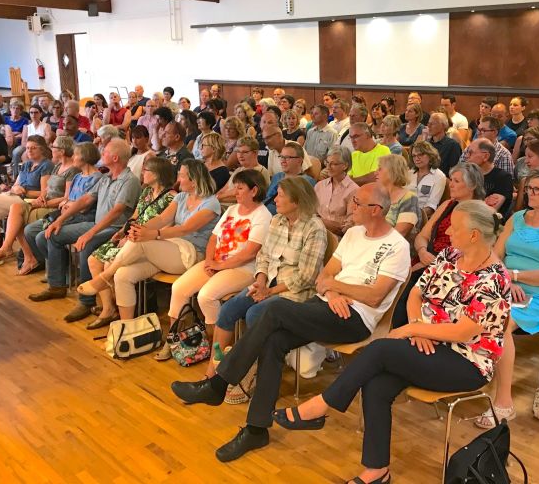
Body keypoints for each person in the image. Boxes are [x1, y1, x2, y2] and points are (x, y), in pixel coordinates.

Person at [169, 183, 411, 464]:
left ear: (376, 210)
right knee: (273, 341)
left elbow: (375, 295)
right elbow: (324, 277)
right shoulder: (354, 234)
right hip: (327, 304)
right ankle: (256, 429)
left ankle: (219, 383)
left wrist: (334, 287)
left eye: (357, 203)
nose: (351, 207)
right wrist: (333, 292)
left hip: (356, 318)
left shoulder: (397, 246)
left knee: (274, 310)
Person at [274, 200, 509, 484]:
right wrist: (418, 328)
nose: (447, 233)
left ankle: (321, 406)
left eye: (455, 228)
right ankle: (377, 472)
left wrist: (412, 328)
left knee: (381, 349)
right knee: (378, 384)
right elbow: (416, 294)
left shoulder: (494, 278)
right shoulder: (450, 255)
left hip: (466, 361)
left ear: (474, 235)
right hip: (428, 344)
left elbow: (463, 333)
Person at [207, 177, 327, 402]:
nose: (275, 199)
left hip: (295, 292)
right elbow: (263, 256)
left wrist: (270, 292)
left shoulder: (315, 228)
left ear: (296, 200)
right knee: (229, 310)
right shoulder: (277, 221)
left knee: (255, 313)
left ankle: (251, 375)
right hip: (269, 283)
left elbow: (306, 277)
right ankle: (213, 374)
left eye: (280, 195)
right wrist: (261, 281)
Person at [475, 168, 539, 428]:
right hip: (506, 285)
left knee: (500, 322)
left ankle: (504, 402)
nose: (529, 193)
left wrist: (515, 275)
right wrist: (507, 280)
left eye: (537, 190)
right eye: (528, 188)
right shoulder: (517, 218)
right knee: (463, 306)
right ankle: (467, 374)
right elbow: (494, 255)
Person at [76, 160, 220, 322]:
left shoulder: (211, 203)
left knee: (142, 241)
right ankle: (125, 327)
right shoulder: (181, 197)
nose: (178, 179)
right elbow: (162, 218)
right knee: (122, 275)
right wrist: (139, 229)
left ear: (194, 180)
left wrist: (152, 234)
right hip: (169, 250)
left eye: (182, 175)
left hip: (192, 253)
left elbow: (185, 229)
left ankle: (104, 277)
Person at [159, 170, 272, 357]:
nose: (235, 192)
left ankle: (214, 346)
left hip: (243, 268)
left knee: (206, 296)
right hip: (216, 262)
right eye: (235, 187)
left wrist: (219, 266)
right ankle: (175, 340)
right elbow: (213, 238)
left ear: (254, 191)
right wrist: (210, 260)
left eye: (240, 188)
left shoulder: (263, 216)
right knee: (179, 288)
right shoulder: (232, 210)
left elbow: (249, 253)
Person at [28, 139, 141, 323]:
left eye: (105, 152)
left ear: (115, 157)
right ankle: (57, 285)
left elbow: (117, 212)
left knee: (87, 244)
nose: (102, 154)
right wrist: (59, 220)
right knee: (52, 235)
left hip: (115, 229)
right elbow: (85, 200)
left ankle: (86, 301)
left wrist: (90, 233)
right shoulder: (105, 178)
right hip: (97, 225)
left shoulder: (130, 181)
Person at [78, 157, 176, 328]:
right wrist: (122, 231)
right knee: (93, 260)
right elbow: (135, 216)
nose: (142, 173)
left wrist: (132, 237)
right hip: (131, 235)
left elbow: (167, 226)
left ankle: (115, 308)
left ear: (157, 174)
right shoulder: (146, 192)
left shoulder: (171, 197)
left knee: (109, 264)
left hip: (148, 242)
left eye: (146, 170)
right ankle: (108, 308)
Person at [392, 163, 486, 327]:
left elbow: (473, 252)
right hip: (427, 257)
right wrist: (422, 252)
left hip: (453, 267)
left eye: (456, 181)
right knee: (397, 283)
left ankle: (409, 331)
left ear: (472, 185)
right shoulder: (447, 205)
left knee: (410, 291)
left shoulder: (480, 213)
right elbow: (422, 236)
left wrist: (434, 263)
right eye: (451, 180)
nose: (451, 184)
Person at [0, 135, 80, 266]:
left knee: (17, 217)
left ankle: (21, 254)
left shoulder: (72, 170)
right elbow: (48, 188)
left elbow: (67, 198)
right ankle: (12, 249)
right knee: (15, 208)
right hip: (45, 202)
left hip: (55, 208)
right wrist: (42, 197)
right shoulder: (58, 166)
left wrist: (44, 203)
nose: (51, 149)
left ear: (61, 151)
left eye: (53, 147)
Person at [20, 142, 102, 276]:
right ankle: (63, 268)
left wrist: (68, 204)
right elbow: (68, 199)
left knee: (43, 237)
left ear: (84, 157)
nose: (73, 157)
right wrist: (66, 203)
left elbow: (83, 207)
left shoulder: (97, 178)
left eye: (75, 155)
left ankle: (59, 275)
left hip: (82, 218)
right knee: (30, 230)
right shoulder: (78, 176)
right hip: (67, 215)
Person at [315, 146, 358, 236]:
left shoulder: (354, 190)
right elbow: (310, 213)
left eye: (333, 164)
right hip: (316, 232)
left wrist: (322, 223)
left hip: (338, 237)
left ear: (345, 166)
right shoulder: (319, 186)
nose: (328, 167)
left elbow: (351, 223)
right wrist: (324, 223)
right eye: (327, 162)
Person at [465, 139, 515, 215]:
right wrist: (483, 202)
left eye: (471, 152)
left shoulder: (503, 178)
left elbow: (487, 212)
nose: (467, 156)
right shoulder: (468, 174)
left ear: (486, 156)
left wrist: (468, 203)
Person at [264, 142, 316, 215]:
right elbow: (267, 199)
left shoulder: (306, 182)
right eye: (281, 157)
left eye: (287, 157)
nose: (283, 161)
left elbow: (304, 210)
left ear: (299, 160)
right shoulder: (277, 177)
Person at [377, 154, 420, 239]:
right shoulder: (378, 196)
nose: (375, 172)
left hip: (393, 245)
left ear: (392, 171)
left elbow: (400, 232)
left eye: (380, 169)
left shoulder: (409, 198)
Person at [217, 136, 270, 204]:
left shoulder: (260, 172)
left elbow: (244, 198)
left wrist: (218, 198)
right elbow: (223, 189)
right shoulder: (239, 170)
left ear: (255, 153)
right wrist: (217, 197)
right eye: (238, 152)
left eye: (245, 152)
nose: (240, 155)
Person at [408, 140, 446, 219]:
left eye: (420, 155)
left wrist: (412, 216)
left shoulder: (439, 176)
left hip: (423, 218)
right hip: (404, 213)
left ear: (430, 155)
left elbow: (431, 207)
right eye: (414, 156)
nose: (417, 158)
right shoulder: (409, 173)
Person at [12, 104, 54, 174]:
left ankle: (38, 172)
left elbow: (48, 139)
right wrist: (30, 147)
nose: (33, 115)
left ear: (40, 114)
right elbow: (23, 142)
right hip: (29, 147)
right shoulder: (27, 127)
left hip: (42, 147)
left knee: (29, 154)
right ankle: (22, 174)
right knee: (21, 154)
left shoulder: (46, 126)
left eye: (36, 112)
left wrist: (36, 147)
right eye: (31, 113)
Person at [425, 112, 462, 176]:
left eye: (432, 123)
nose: (429, 126)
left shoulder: (452, 145)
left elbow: (455, 170)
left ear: (443, 125)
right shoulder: (426, 144)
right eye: (428, 123)